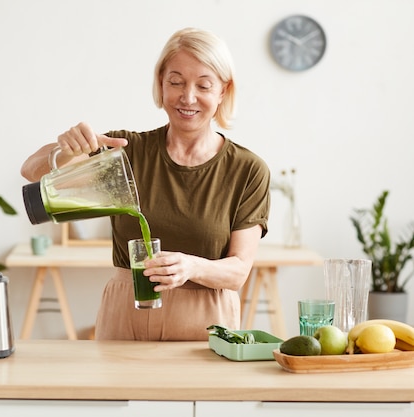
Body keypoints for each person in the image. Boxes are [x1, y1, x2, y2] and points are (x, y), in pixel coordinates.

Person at [21, 27, 270, 341]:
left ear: (223, 91)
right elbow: (31, 171)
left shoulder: (247, 169)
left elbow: (238, 272)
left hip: (207, 324)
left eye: (203, 85)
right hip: (126, 314)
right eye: (175, 82)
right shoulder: (126, 152)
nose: (187, 97)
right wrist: (65, 150)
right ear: (161, 85)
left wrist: (191, 267)